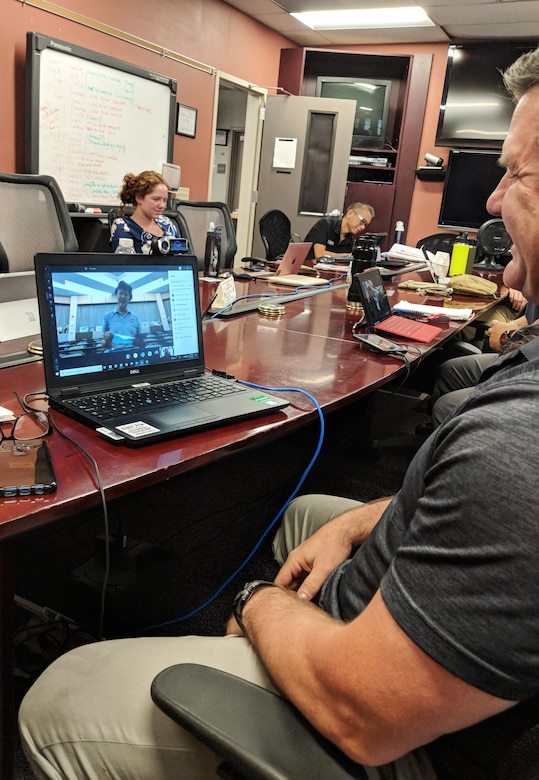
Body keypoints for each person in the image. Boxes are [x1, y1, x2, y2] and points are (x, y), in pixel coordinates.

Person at [18, 47, 539, 780]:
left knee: (55, 701)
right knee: (315, 513)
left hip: (374, 722)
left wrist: (257, 602)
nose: (489, 202)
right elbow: (475, 495)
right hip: (397, 618)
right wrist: (368, 519)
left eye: (513, 173)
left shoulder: (517, 451)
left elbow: (364, 712)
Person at [429, 301, 539, 426]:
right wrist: (512, 326)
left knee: (445, 407)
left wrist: (507, 338)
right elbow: (532, 317)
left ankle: (453, 441)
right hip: (525, 354)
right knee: (451, 371)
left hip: (532, 371)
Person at [110, 170, 180, 254]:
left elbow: (183, 260)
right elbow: (126, 264)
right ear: (139, 198)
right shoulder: (123, 227)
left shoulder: (168, 224)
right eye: (156, 199)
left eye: (165, 200)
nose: (162, 205)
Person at [304, 201, 375, 260]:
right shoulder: (325, 224)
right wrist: (346, 256)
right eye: (362, 221)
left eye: (366, 225)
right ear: (350, 213)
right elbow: (319, 254)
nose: (363, 227)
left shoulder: (350, 240)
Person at [101, 280, 144, 350]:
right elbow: (103, 344)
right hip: (114, 355)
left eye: (126, 294)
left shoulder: (135, 318)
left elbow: (140, 341)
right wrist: (107, 341)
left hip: (133, 355)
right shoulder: (107, 316)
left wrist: (140, 341)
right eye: (120, 293)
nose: (123, 297)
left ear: (130, 298)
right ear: (116, 295)